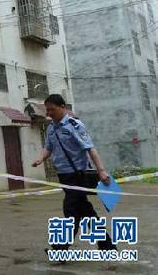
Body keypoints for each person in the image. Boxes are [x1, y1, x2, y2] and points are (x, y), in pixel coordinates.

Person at [31, 94, 116, 252]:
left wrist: (101, 171)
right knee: (85, 211)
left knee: (71, 210)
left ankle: (60, 249)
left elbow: (90, 148)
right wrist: (40, 158)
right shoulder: (51, 128)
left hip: (77, 175)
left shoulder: (74, 125)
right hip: (63, 176)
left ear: (63, 107)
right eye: (47, 110)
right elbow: (48, 148)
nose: (49, 113)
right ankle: (107, 246)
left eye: (52, 109)